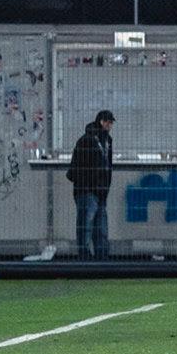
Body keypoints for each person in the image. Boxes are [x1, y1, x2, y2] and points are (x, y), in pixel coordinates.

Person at [67, 109, 116, 259]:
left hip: (97, 190)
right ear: (101, 122)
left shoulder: (104, 141)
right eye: (108, 122)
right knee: (89, 226)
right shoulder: (88, 141)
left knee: (95, 226)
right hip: (90, 190)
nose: (109, 126)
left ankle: (95, 256)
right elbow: (81, 166)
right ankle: (88, 256)